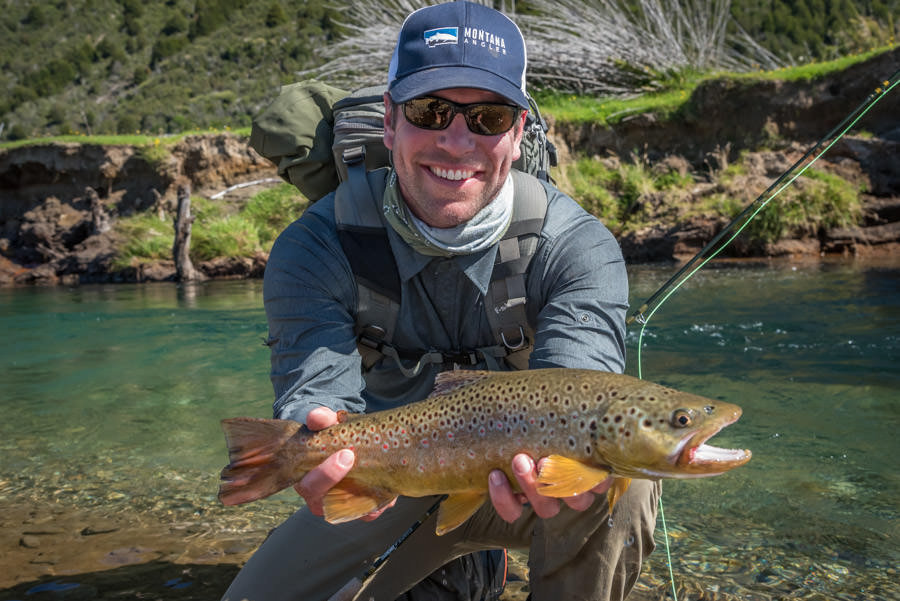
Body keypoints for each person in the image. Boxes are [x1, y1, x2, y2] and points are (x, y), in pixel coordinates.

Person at [223, 2, 660, 600]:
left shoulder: (577, 247)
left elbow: (583, 392)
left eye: (488, 116)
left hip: (532, 488)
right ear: (389, 121)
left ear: (519, 130)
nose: (457, 142)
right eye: (430, 112)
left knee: (623, 476)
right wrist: (312, 444)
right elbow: (316, 391)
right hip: (392, 480)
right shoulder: (315, 245)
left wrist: (569, 470)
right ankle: (458, 569)